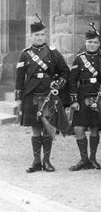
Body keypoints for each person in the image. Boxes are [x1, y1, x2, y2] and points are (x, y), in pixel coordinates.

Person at [15, 15, 70, 173]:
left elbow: (65, 72)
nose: (39, 37)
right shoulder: (25, 54)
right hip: (31, 96)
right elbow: (19, 78)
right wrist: (19, 98)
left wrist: (58, 85)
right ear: (31, 36)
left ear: (45, 35)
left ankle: (47, 161)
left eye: (42, 34)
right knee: (35, 129)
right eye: (36, 35)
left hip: (48, 95)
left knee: (48, 129)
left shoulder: (53, 53)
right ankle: (36, 161)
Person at [68, 24, 101, 171]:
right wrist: (74, 100)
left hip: (98, 96)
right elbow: (72, 81)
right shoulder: (79, 59)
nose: (92, 45)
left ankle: (93, 159)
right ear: (85, 43)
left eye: (95, 42)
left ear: (99, 44)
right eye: (90, 42)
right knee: (78, 127)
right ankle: (83, 159)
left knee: (94, 127)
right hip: (82, 95)